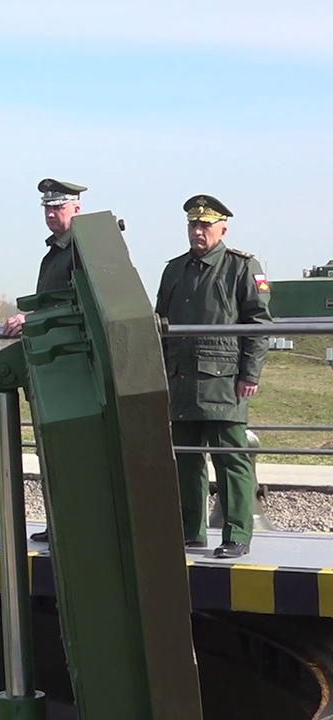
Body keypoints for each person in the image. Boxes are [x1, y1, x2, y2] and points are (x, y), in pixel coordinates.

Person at [154, 195, 270, 559]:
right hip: (182, 379)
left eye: (205, 225)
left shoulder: (241, 267)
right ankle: (191, 531)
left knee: (230, 458)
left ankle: (236, 534)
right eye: (193, 224)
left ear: (223, 228)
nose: (198, 231)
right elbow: (160, 325)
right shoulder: (174, 270)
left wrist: (249, 373)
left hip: (223, 379)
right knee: (186, 459)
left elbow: (259, 325)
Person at [2, 177, 87, 544]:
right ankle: (60, 523)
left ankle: (75, 525)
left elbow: (80, 305)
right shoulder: (54, 252)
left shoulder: (84, 251)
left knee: (75, 452)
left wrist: (31, 320)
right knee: (53, 450)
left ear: (76, 209)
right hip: (53, 365)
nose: (52, 214)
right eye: (48, 209)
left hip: (75, 366)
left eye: (59, 207)